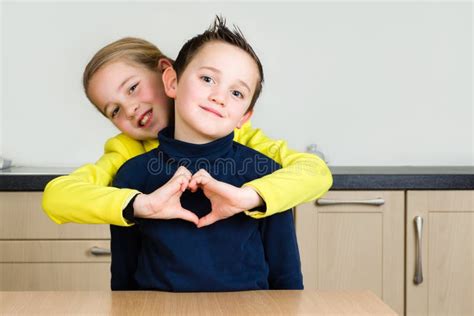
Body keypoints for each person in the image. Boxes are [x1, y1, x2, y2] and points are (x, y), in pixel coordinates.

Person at [41, 22, 332, 228]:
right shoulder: (127, 154)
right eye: (114, 109)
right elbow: (58, 196)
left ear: (168, 75)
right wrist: (139, 205)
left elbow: (315, 172)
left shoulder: (243, 139)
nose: (129, 109)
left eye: (132, 88)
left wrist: (250, 197)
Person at [112, 16, 302, 292]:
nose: (219, 96)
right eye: (208, 78)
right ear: (172, 82)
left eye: (236, 93)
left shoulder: (268, 175)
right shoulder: (132, 174)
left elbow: (287, 278)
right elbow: (123, 277)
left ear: (244, 116)